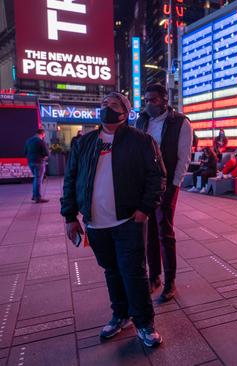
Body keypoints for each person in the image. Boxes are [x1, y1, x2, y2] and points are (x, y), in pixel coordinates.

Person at [60, 92, 166, 347]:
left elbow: (157, 177)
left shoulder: (142, 141)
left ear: (126, 112)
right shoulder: (84, 143)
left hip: (128, 221)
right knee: (111, 271)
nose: (107, 107)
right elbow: (71, 180)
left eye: (114, 104)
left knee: (134, 272)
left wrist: (144, 209)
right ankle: (121, 315)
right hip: (95, 224)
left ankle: (144, 322)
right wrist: (70, 216)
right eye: (104, 104)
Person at [135, 83, 193, 302]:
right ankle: (154, 277)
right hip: (144, 185)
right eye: (146, 100)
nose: (149, 104)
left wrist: (174, 186)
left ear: (165, 100)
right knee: (147, 233)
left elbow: (183, 158)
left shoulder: (180, 123)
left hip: (167, 184)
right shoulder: (141, 121)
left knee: (164, 232)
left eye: (154, 100)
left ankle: (170, 281)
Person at [24, 128, 49, 203]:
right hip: (39, 162)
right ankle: (37, 197)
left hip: (30, 162)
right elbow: (46, 153)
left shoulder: (28, 140)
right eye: (44, 135)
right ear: (42, 134)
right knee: (38, 180)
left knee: (36, 179)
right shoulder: (40, 141)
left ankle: (34, 195)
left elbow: (25, 152)